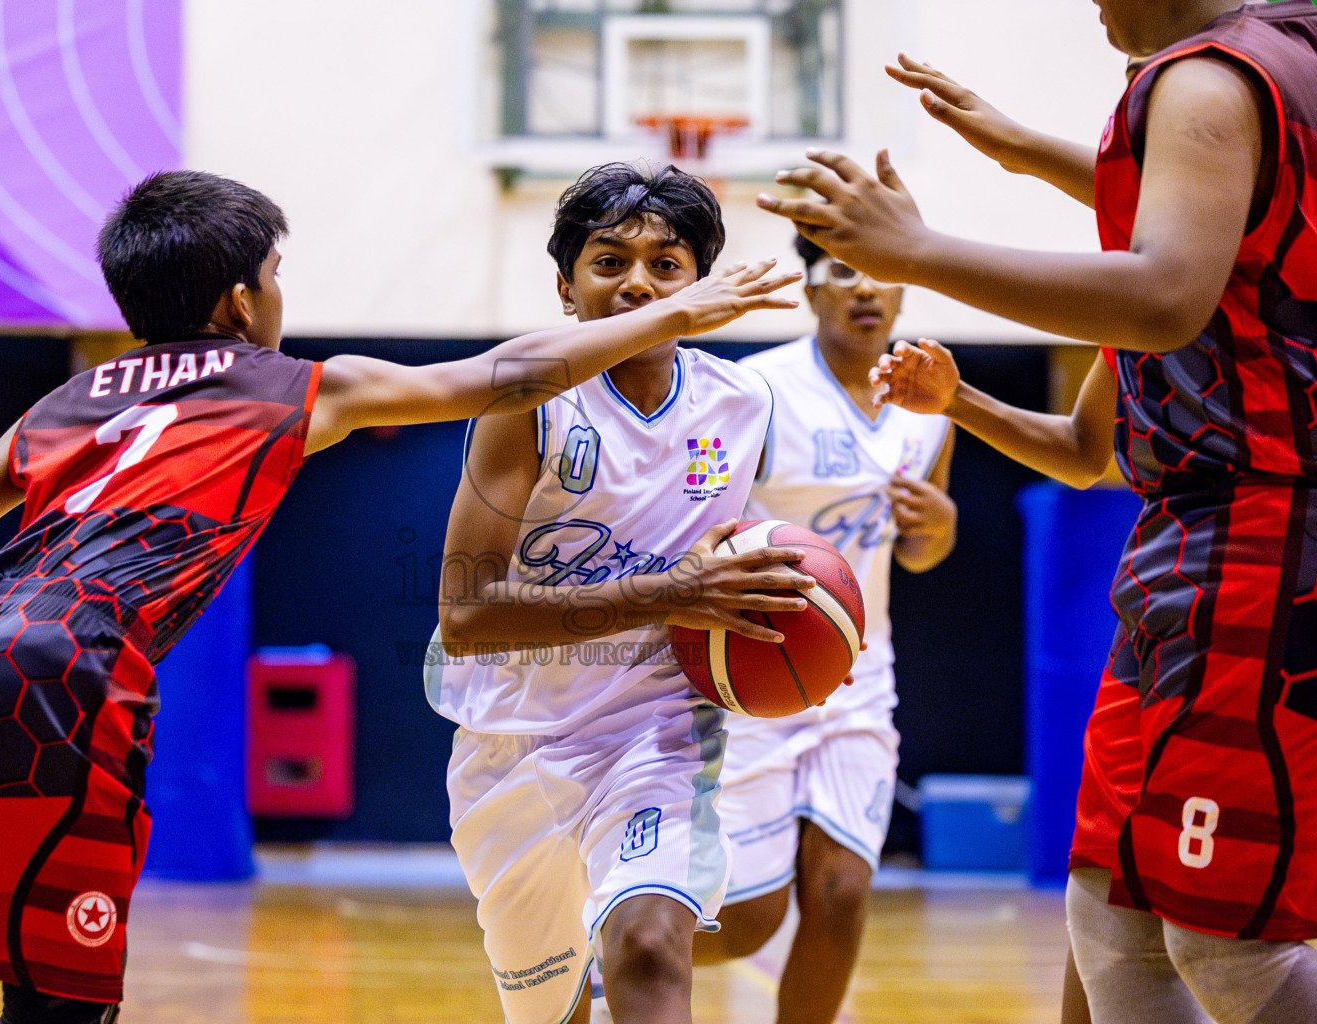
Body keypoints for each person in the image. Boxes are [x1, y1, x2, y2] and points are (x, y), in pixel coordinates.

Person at [0, 169, 799, 1024]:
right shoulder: (285, 385)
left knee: (37, 980)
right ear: (240, 302)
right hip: (76, 671)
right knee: (69, 991)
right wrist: (679, 309)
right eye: (275, 275)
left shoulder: (67, 400)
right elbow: (503, 375)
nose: (281, 296)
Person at [765, 2, 1317, 1021]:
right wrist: (1018, 158)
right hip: (1186, 550)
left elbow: (1160, 293)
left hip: (1265, 549)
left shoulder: (1210, 77)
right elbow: (1084, 449)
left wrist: (920, 251)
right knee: (1109, 917)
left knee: (1230, 949)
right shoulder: (1277, 65)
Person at [426, 162, 808, 1024]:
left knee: (647, 945)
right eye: (609, 262)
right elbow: (467, 618)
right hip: (510, 744)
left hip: (657, 729)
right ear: (567, 289)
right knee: (551, 1012)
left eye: (666, 265)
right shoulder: (526, 398)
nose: (637, 281)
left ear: (699, 286)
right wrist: (672, 591)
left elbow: (736, 553)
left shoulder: (745, 403)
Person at [689, 232, 956, 1024]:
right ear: (810, 291)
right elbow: (694, 512)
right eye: (843, 272)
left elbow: (919, 555)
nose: (865, 288)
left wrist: (940, 528)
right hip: (756, 680)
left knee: (843, 897)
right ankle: (610, 940)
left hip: (859, 682)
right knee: (748, 920)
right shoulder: (752, 391)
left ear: (904, 294)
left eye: (881, 273)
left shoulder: (929, 406)